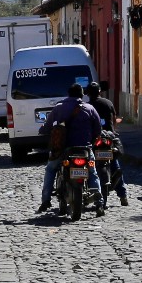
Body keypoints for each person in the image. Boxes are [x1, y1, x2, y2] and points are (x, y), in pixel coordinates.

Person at [35, 82, 104, 215]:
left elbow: (47, 126)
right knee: (92, 172)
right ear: (82, 95)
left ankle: (45, 201)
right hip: (85, 150)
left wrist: (42, 130)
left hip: (64, 151)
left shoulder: (59, 108)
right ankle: (99, 203)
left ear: (68, 94)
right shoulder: (90, 108)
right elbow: (98, 130)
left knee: (50, 169)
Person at [85, 84, 129, 207]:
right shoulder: (108, 103)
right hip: (109, 138)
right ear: (100, 91)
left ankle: (93, 191)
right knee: (115, 165)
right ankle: (123, 196)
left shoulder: (88, 107)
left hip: (95, 139)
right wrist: (113, 130)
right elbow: (114, 120)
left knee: (91, 165)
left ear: (88, 93)